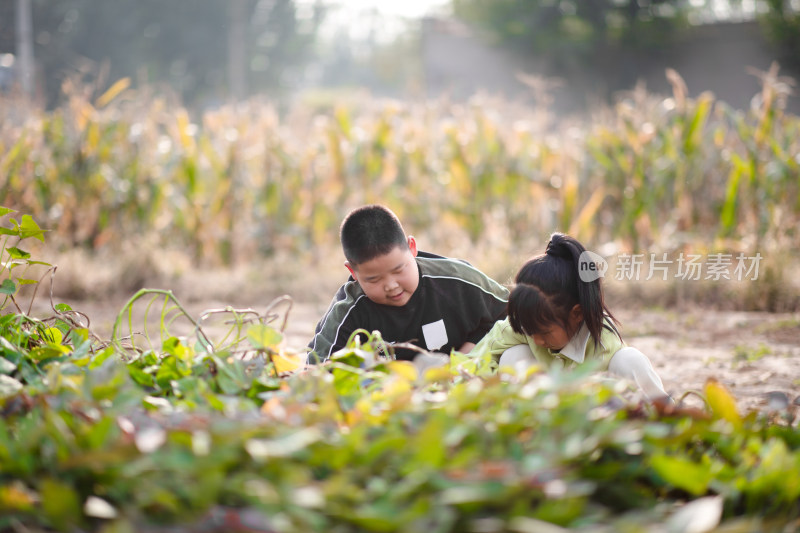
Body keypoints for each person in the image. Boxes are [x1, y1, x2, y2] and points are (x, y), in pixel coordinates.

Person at [471, 232, 669, 401]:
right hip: (541, 413)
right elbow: (473, 362)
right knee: (512, 355)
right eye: (529, 330)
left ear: (577, 314)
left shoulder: (605, 347)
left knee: (630, 360)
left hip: (592, 416)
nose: (537, 340)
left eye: (545, 332)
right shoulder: (523, 328)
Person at [307, 205, 509, 364]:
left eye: (398, 270)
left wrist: (466, 357)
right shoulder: (348, 310)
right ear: (353, 272)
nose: (391, 285)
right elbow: (316, 366)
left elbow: (507, 311)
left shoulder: (457, 279)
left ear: (412, 248)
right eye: (374, 279)